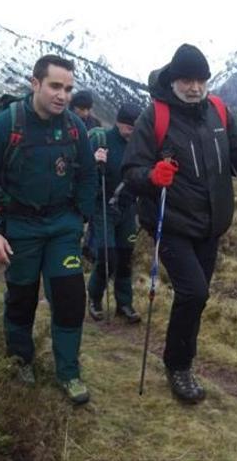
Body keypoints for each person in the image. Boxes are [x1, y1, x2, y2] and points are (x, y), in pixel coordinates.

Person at [121, 43, 237, 403]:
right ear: (173, 80)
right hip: (170, 223)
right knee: (195, 292)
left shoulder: (218, 111)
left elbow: (232, 161)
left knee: (196, 297)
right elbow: (130, 171)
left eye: (201, 80)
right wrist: (153, 176)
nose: (194, 87)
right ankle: (178, 366)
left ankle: (183, 356)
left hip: (210, 226)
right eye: (187, 80)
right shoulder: (153, 116)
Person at [0, 55, 97, 404]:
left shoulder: (74, 129)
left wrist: (81, 218)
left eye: (68, 88)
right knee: (22, 299)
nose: (63, 95)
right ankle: (21, 360)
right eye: (55, 86)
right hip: (20, 227)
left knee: (70, 299)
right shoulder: (6, 125)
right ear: (35, 83)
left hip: (62, 228)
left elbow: (86, 175)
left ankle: (68, 372)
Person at [86, 103, 142, 324]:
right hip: (104, 208)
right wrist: (95, 162)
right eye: (129, 127)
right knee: (107, 256)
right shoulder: (102, 142)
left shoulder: (139, 145)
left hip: (128, 209)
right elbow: (83, 172)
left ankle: (124, 303)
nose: (132, 132)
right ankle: (95, 298)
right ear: (119, 122)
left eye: (135, 128)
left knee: (125, 257)